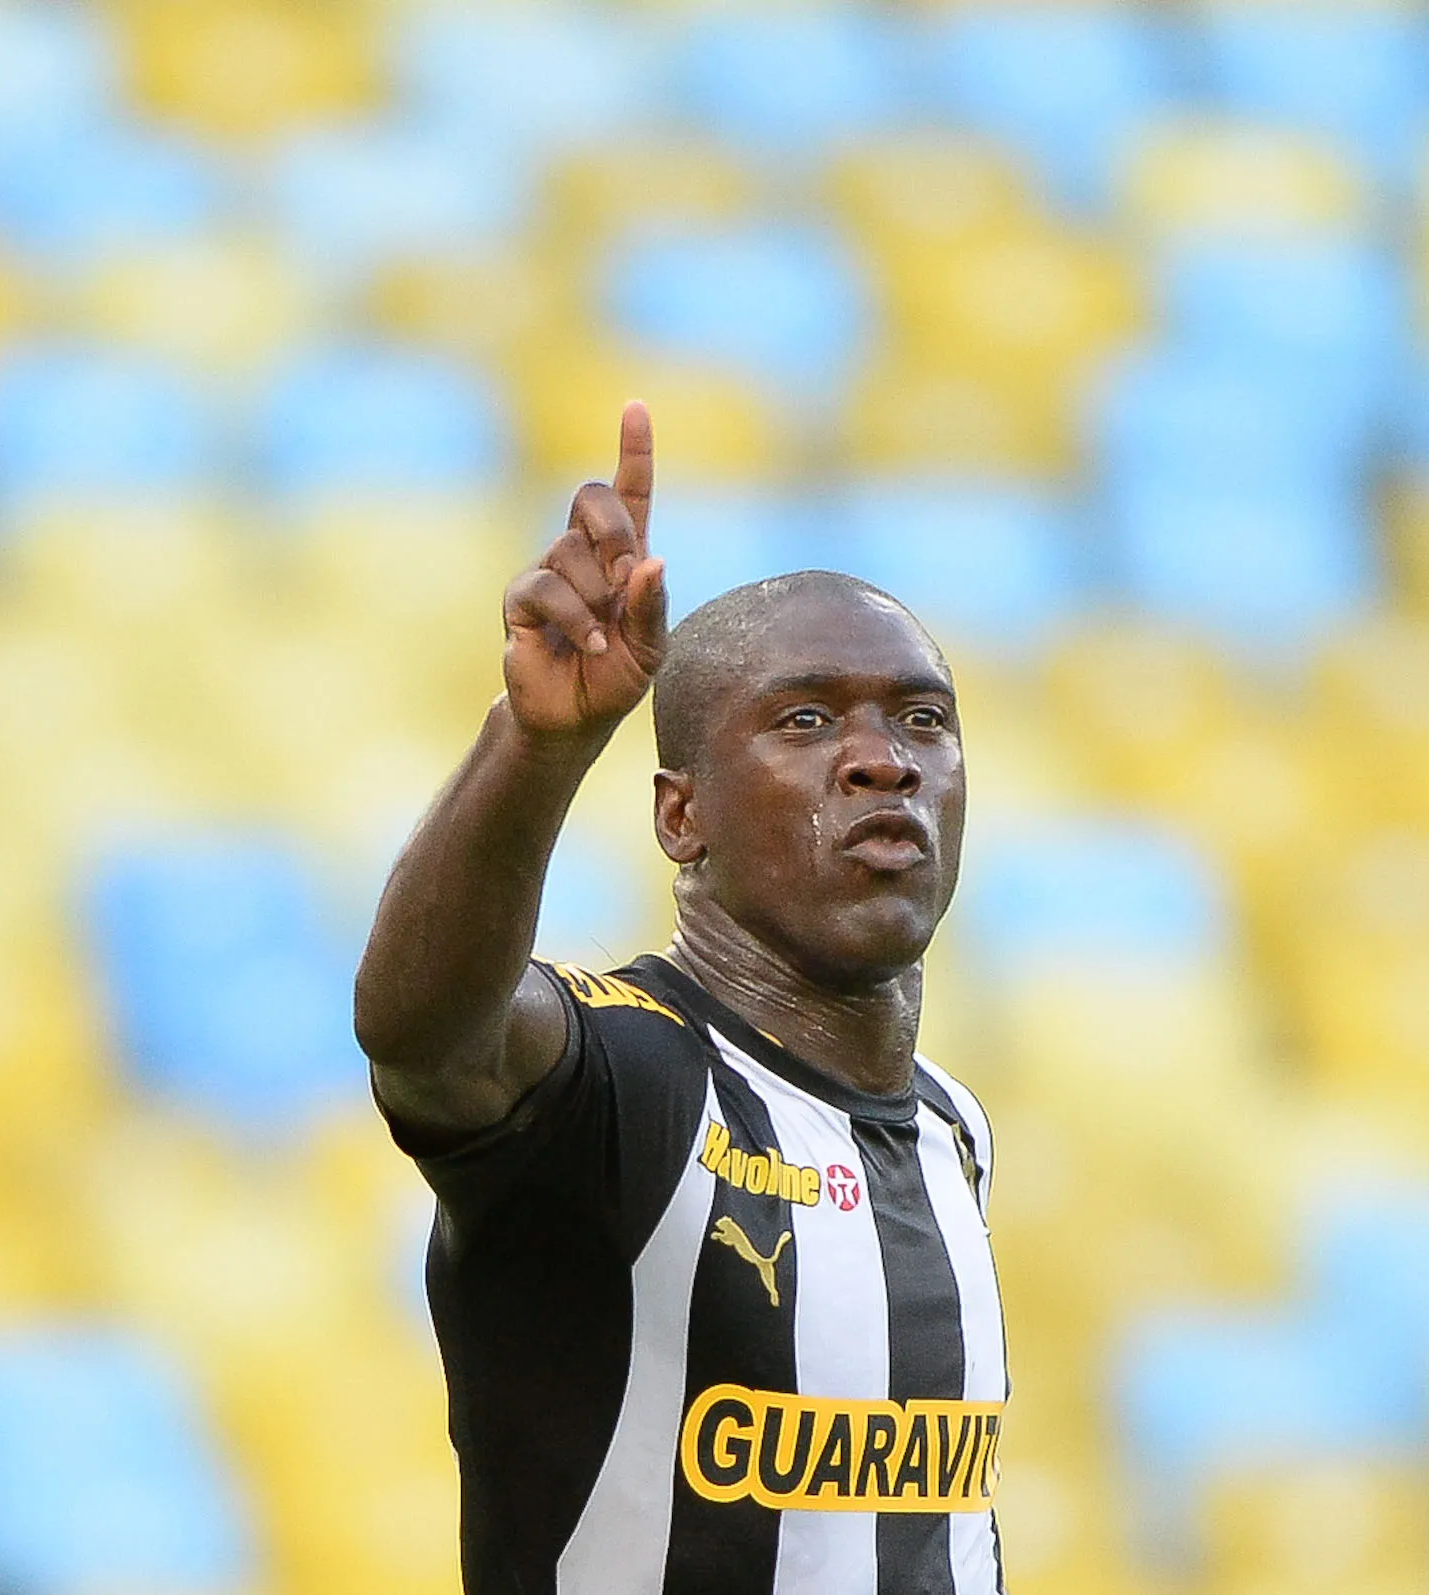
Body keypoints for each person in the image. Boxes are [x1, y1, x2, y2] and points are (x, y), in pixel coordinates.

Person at [353, 401, 1006, 1595]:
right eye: (805, 720)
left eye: (922, 718)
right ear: (680, 814)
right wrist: (538, 749)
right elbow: (424, 1035)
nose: (883, 758)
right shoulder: (631, 1080)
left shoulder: (956, 1129)